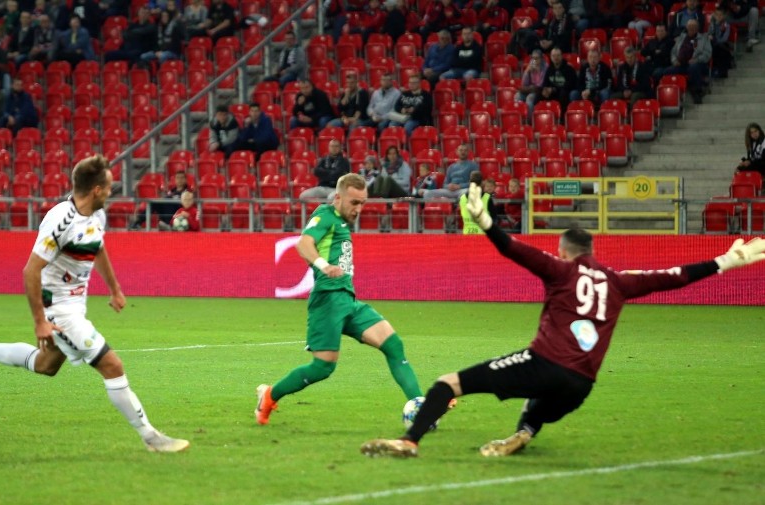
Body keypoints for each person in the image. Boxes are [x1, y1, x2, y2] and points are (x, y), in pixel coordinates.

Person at [361, 184, 765, 458]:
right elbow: (674, 276)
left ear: (565, 251)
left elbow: (513, 249)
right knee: (537, 404)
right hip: (582, 385)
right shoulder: (618, 281)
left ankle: (409, 442)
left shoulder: (560, 269)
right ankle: (523, 433)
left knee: (449, 383)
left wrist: (484, 221)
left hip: (546, 364)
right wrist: (727, 260)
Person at [0, 154, 190, 453]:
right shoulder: (60, 221)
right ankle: (151, 437)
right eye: (108, 188)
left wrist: (115, 289)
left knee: (46, 365)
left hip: (75, 305)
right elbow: (30, 270)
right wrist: (40, 321)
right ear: (96, 190)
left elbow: (98, 249)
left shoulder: (96, 216)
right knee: (112, 365)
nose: (111, 193)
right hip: (58, 309)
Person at [255, 173, 424, 425]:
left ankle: (421, 404)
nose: (358, 209)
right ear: (338, 198)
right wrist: (323, 265)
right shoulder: (325, 216)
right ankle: (269, 395)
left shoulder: (342, 222)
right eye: (354, 202)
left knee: (393, 344)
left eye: (363, 203)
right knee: (323, 368)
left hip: (347, 300)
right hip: (328, 301)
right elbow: (304, 244)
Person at [664, 19, 711, 104]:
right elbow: (673, 52)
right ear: (686, 27)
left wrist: (697, 59)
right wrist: (674, 60)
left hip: (698, 64)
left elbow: (707, 54)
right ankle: (671, 96)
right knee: (668, 71)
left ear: (697, 28)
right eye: (689, 26)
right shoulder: (681, 38)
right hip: (681, 64)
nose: (691, 28)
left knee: (693, 68)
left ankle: (697, 92)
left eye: (694, 26)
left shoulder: (704, 38)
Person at [517, 49, 547, 116]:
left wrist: (538, 71)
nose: (535, 60)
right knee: (517, 96)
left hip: (540, 91)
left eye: (537, 58)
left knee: (529, 98)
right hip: (530, 89)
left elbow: (541, 85)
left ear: (541, 58)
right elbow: (524, 84)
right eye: (533, 58)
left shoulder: (545, 67)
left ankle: (530, 120)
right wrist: (527, 71)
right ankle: (520, 118)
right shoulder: (531, 65)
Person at [708, 6, 734, 78]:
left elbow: (724, 39)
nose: (718, 17)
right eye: (717, 15)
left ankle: (721, 71)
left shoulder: (726, 25)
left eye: (720, 15)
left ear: (724, 16)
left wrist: (714, 40)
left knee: (719, 48)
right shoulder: (712, 24)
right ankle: (712, 69)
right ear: (714, 15)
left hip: (722, 45)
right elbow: (709, 34)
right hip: (714, 44)